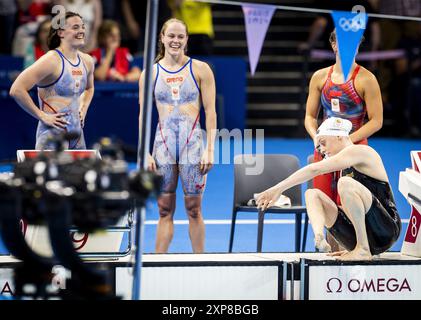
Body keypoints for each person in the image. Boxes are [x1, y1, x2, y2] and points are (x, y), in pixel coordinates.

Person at [256, 117, 401, 261]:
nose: (322, 150)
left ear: (339, 136)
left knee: (345, 183)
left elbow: (315, 169)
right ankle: (319, 238)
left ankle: (362, 249)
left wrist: (278, 189)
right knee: (312, 194)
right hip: (370, 236)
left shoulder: (362, 151)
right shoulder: (345, 167)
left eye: (323, 143)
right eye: (319, 147)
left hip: (386, 230)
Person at [139, 18, 216, 253]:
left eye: (180, 36)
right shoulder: (150, 73)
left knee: (194, 209)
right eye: (171, 36)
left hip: (192, 145)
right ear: (162, 38)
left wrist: (210, 148)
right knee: (164, 209)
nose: (175, 40)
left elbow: (211, 112)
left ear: (186, 40)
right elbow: (143, 116)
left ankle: (200, 263)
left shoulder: (200, 69)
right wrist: (145, 153)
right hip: (162, 146)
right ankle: (158, 264)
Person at [304, 30, 383, 251]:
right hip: (326, 149)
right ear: (333, 45)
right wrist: (316, 137)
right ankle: (330, 259)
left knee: (348, 206)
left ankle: (355, 253)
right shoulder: (320, 77)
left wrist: (346, 141)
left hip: (355, 151)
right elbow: (310, 117)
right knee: (323, 201)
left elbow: (376, 121)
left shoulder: (367, 79)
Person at [9, 12, 95, 150]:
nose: (82, 31)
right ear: (61, 33)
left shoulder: (88, 61)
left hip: (77, 135)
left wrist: (83, 108)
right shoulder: (51, 60)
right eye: (75, 27)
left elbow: (89, 88)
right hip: (51, 135)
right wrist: (42, 116)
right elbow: (16, 90)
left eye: (83, 27)